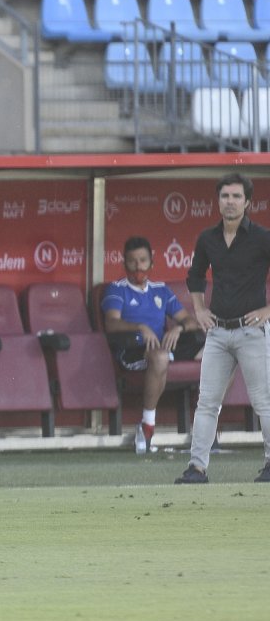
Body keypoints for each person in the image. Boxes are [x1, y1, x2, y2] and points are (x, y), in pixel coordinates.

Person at [177, 174, 270, 484]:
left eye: (236, 196)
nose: (230, 201)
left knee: (264, 402)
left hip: (252, 331)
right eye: (225, 196)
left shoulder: (262, 237)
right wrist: (200, 309)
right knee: (207, 402)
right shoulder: (208, 238)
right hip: (218, 331)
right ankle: (197, 468)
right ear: (218, 201)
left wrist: (268, 310)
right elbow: (195, 277)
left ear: (247, 202)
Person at [102, 236, 201, 454]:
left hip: (161, 348)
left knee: (217, 349)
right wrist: (140, 327)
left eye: (143, 260)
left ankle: (207, 424)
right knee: (160, 356)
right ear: (124, 263)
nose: (138, 267)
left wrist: (178, 328)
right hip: (132, 350)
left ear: (152, 262)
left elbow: (190, 321)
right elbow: (111, 323)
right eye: (133, 261)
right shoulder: (116, 289)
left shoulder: (161, 290)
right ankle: (147, 425)